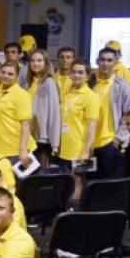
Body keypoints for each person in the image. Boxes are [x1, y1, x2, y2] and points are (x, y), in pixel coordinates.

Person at [90, 47, 130, 178]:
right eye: (102, 60)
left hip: (111, 143)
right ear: (97, 61)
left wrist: (118, 139)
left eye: (109, 60)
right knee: (90, 183)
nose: (105, 63)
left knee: (111, 184)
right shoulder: (89, 83)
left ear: (115, 62)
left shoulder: (123, 86)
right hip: (89, 144)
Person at [58, 60, 99, 200]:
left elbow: (92, 127)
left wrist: (86, 151)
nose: (76, 75)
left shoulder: (91, 97)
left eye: (80, 72)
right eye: (74, 72)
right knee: (67, 179)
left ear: (87, 76)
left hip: (79, 147)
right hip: (65, 145)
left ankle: (74, 208)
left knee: (77, 179)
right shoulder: (67, 93)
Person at [0, 62, 36, 166]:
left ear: (17, 76)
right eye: (3, 72)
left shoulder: (21, 94)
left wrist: (22, 151)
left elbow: (26, 124)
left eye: (10, 74)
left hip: (15, 151)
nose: (5, 76)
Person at [26, 49, 61, 169]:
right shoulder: (28, 82)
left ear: (46, 63)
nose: (36, 63)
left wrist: (54, 142)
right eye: (33, 60)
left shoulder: (49, 82)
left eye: (39, 60)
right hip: (28, 135)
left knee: (41, 173)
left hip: (42, 137)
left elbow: (54, 112)